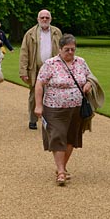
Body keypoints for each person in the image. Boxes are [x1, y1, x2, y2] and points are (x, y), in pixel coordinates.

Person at [34, 34, 93, 186]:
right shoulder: (50, 64)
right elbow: (39, 84)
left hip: (76, 108)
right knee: (58, 136)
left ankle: (62, 167)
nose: (70, 53)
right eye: (67, 50)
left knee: (71, 138)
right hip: (55, 107)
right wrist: (38, 105)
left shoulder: (81, 62)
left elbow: (89, 78)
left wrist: (88, 85)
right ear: (59, 49)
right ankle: (61, 171)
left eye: (73, 49)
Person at [19, 9, 62, 130]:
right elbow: (24, 53)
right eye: (42, 17)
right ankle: (33, 119)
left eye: (47, 18)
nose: (44, 20)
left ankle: (50, 119)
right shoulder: (30, 33)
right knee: (34, 95)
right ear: (38, 19)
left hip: (53, 69)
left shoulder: (57, 32)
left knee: (53, 94)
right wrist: (23, 71)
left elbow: (63, 50)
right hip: (36, 68)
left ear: (50, 19)